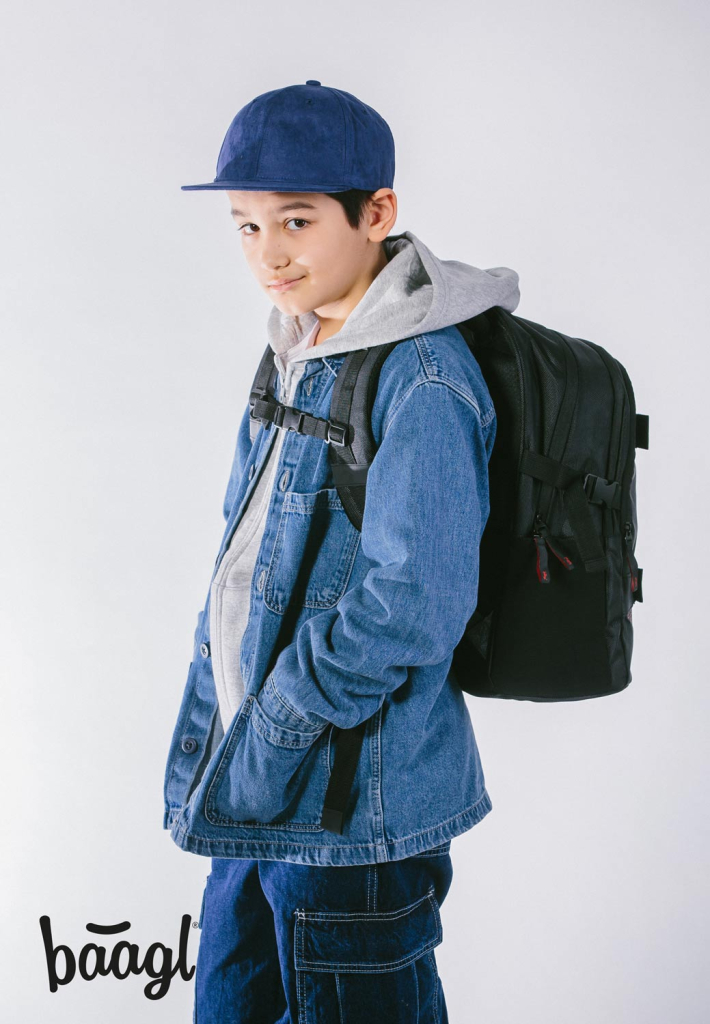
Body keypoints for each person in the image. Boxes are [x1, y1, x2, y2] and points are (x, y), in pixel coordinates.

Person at [164, 79, 520, 1023]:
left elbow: (414, 603)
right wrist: (243, 737)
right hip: (256, 791)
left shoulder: (424, 377)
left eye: (295, 220)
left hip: (354, 814)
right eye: (246, 226)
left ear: (376, 213)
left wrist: (282, 712)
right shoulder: (297, 346)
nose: (268, 253)